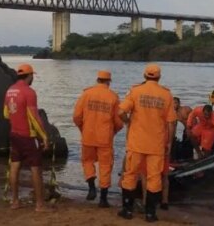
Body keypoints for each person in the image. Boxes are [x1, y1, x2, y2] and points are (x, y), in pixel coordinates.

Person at [118, 64, 176, 222]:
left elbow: (121, 111)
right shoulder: (166, 95)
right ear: (159, 77)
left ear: (145, 76)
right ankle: (150, 214)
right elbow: (171, 122)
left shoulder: (135, 91)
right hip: (156, 145)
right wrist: (169, 143)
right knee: (154, 178)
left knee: (130, 175)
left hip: (136, 143)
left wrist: (128, 121)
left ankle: (127, 210)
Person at [73, 70, 123, 208]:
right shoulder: (113, 97)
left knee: (87, 161)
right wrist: (113, 132)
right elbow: (119, 122)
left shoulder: (86, 94)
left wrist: (83, 129)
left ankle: (91, 187)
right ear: (109, 81)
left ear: (97, 80)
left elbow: (77, 116)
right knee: (105, 166)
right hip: (105, 138)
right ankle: (103, 199)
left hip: (88, 136)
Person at [3, 64, 49, 212]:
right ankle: (40, 204)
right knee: (36, 168)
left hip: (14, 134)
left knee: (15, 166)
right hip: (28, 136)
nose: (32, 78)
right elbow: (34, 117)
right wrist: (44, 136)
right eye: (32, 76)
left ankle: (15, 201)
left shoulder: (10, 90)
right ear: (29, 76)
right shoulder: (29, 92)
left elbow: (5, 113)